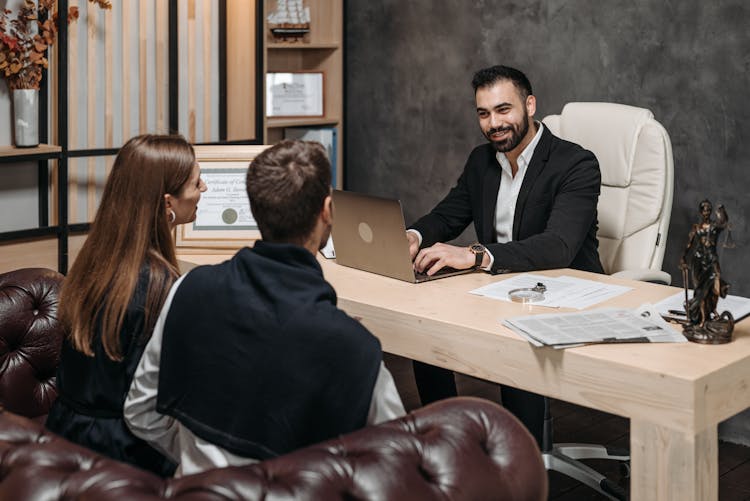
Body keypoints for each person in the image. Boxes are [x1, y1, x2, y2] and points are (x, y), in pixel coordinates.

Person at [124, 139, 405, 476]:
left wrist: (200, 460)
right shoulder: (355, 348)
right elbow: (396, 466)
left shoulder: (189, 288)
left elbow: (140, 412)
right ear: (328, 210)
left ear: (255, 210)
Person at [406, 65, 603, 445]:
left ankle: (521, 459)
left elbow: (558, 246)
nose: (494, 123)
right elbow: (448, 215)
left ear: (529, 105)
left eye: (503, 110)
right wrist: (412, 235)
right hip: (500, 288)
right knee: (424, 326)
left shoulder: (575, 163)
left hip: (563, 293)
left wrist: (475, 255)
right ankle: (445, 440)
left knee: (517, 338)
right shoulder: (482, 162)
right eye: (483, 113)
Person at [45, 134, 207, 477]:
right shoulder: (160, 286)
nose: (203, 188)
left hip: (62, 436)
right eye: (196, 182)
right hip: (124, 456)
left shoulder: (94, 261)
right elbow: (156, 406)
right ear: (168, 205)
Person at [680, 200, 730, 329]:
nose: (706, 212)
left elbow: (723, 223)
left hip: (711, 261)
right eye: (704, 210)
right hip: (698, 262)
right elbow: (689, 244)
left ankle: (712, 310)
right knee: (701, 292)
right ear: (701, 212)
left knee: (715, 288)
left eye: (708, 210)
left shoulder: (714, 227)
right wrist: (684, 258)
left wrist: (722, 211)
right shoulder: (696, 228)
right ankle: (702, 319)